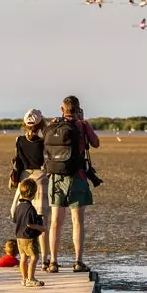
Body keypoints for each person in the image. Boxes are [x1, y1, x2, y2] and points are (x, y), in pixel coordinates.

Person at [45, 95, 100, 274]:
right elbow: (96, 143)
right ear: (78, 109)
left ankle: (53, 262)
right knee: (77, 221)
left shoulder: (53, 123)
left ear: (62, 109)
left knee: (55, 223)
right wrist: (83, 121)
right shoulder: (82, 125)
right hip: (77, 177)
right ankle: (78, 261)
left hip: (55, 178)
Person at [10, 108, 51, 271]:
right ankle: (45, 260)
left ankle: (25, 257)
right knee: (42, 221)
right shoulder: (43, 142)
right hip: (41, 179)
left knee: (22, 217)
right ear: (41, 123)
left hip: (24, 180)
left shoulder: (19, 140)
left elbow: (18, 163)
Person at [14, 178, 46, 287]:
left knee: (23, 258)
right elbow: (29, 224)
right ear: (33, 193)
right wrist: (40, 228)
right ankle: (31, 278)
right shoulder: (30, 208)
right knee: (34, 257)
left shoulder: (18, 207)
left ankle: (24, 278)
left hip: (19, 236)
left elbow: (15, 220)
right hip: (28, 237)